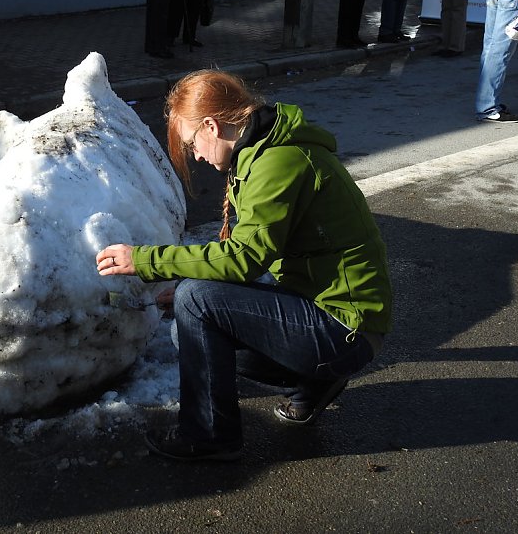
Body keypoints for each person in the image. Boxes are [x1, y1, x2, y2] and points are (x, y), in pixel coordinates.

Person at [96, 70, 393, 462]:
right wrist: (200, 293)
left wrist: (145, 260)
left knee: (196, 301)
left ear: (211, 125)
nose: (196, 156)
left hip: (343, 329)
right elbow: (259, 256)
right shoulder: (264, 151)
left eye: (192, 144)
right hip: (332, 317)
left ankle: (209, 435)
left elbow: (243, 259)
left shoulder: (278, 162)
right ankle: (315, 381)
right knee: (190, 321)